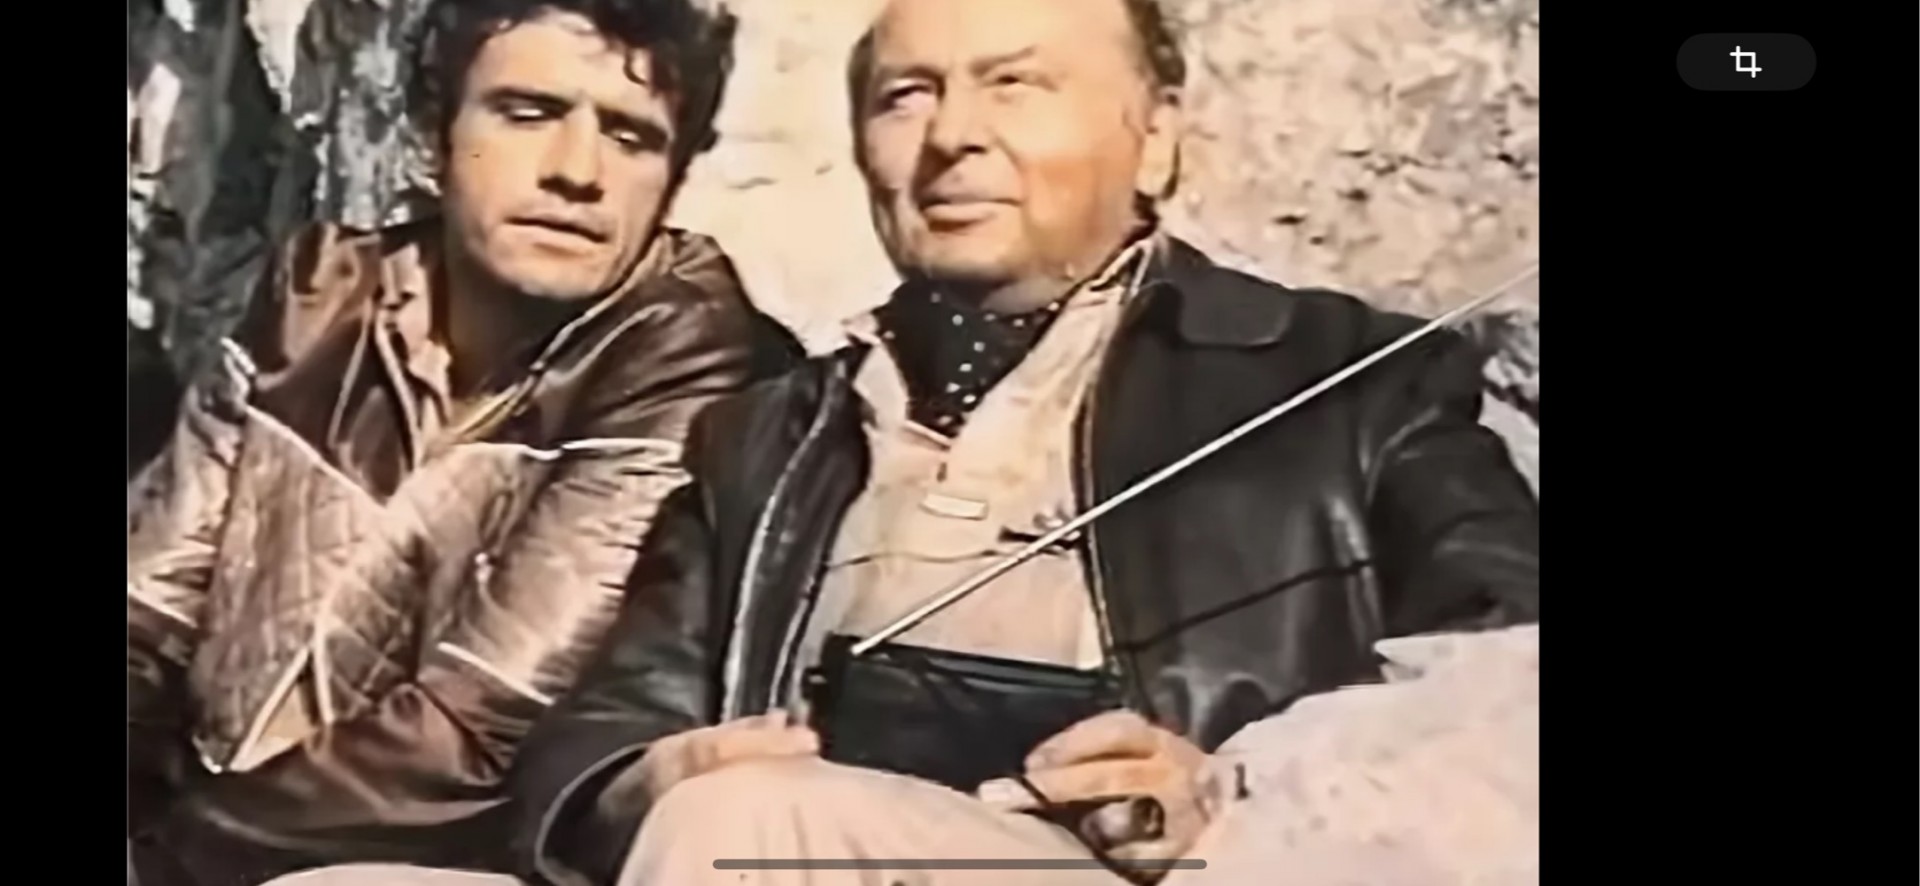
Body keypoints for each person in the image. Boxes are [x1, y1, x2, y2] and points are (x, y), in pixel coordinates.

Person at [266, 0, 1540, 884]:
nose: (952, 136)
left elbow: (1510, 691)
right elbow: (597, 732)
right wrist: (642, 780)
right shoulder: (773, 428)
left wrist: (1230, 796)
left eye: (1016, 84)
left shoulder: (1344, 378)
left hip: (1145, 871)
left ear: (1156, 136)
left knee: (751, 831)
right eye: (905, 95)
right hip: (745, 845)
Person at [125, 0, 801, 883]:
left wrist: (158, 863)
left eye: (631, 137)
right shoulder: (319, 300)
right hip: (204, 825)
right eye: (527, 114)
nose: (577, 172)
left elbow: (477, 734)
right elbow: (147, 616)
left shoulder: (688, 356)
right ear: (427, 135)